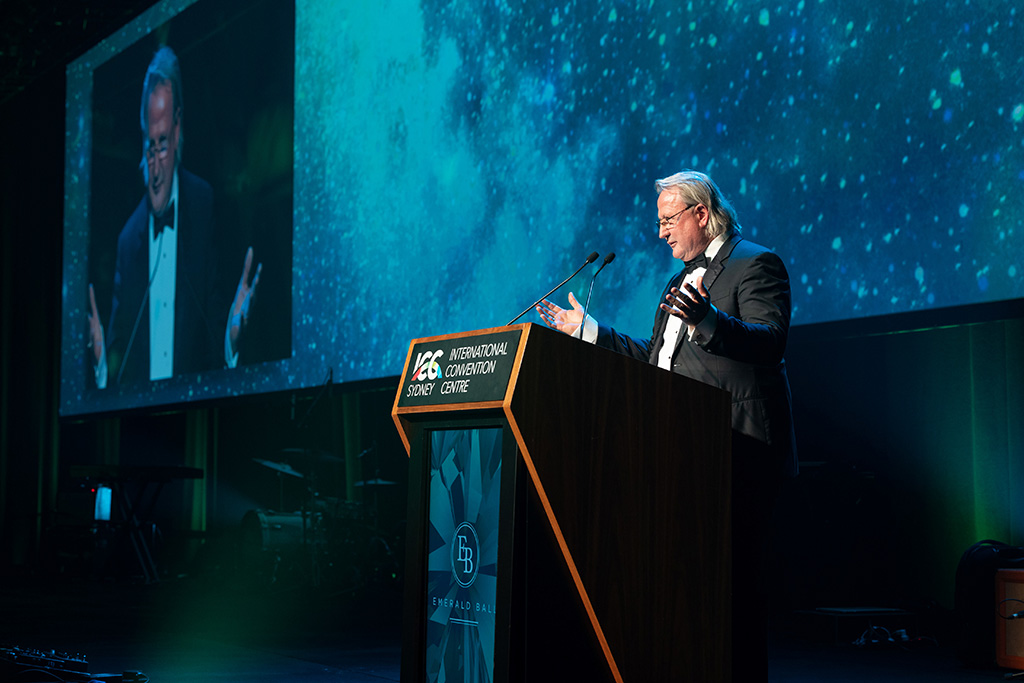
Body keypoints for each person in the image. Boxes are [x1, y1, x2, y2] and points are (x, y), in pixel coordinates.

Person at [537, 169, 797, 679]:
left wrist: (709, 321)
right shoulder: (677, 283)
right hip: (679, 454)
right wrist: (590, 332)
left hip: (738, 452)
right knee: (686, 593)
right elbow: (657, 361)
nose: (661, 233)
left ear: (701, 213)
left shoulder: (756, 263)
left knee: (735, 593)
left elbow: (770, 342)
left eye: (668, 220)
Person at [88, 46, 261, 387]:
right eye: (149, 147)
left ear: (178, 127)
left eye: (163, 144)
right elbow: (120, 358)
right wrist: (103, 368)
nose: (154, 170)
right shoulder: (128, 242)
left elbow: (214, 332)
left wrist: (231, 342)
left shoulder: (206, 205)